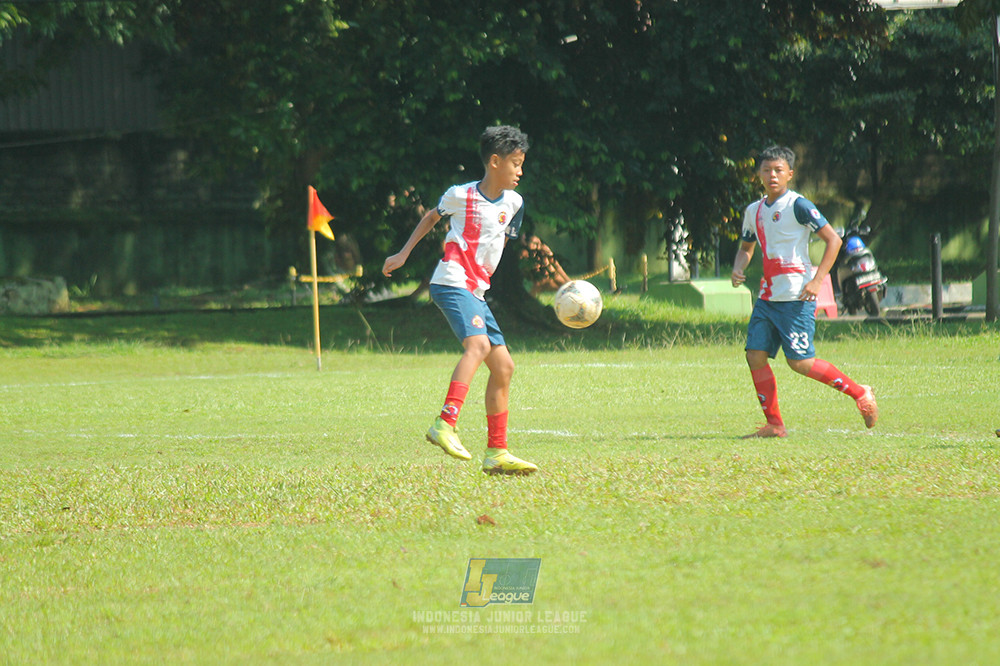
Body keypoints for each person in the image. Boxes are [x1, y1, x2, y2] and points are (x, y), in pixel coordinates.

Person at [382, 125, 537, 474]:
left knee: (504, 367)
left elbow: (500, 243)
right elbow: (430, 216)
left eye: (522, 163)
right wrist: (404, 254)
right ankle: (444, 424)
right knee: (478, 347)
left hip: (476, 292)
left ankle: (496, 452)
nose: (520, 171)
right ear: (494, 161)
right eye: (515, 163)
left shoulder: (515, 203)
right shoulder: (460, 194)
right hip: (452, 281)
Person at [731, 145, 878, 438]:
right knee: (755, 355)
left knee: (800, 363)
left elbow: (833, 240)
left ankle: (860, 392)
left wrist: (817, 280)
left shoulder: (799, 205)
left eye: (778, 170)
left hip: (797, 297)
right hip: (767, 298)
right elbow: (746, 247)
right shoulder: (753, 211)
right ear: (758, 174)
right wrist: (739, 266)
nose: (772, 175)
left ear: (790, 174)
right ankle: (775, 424)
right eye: (766, 170)